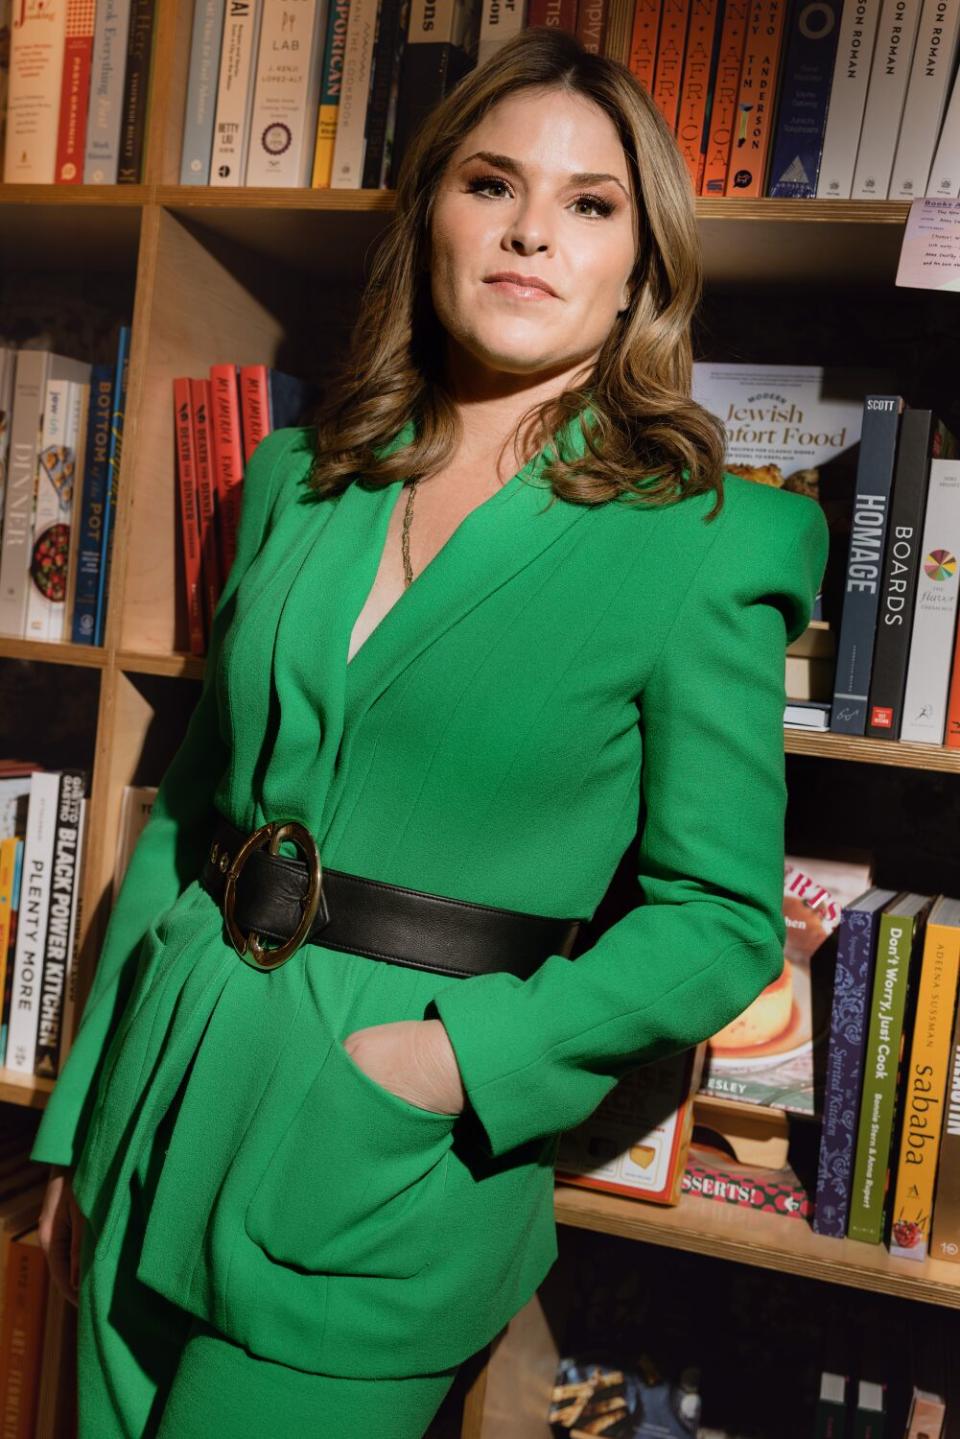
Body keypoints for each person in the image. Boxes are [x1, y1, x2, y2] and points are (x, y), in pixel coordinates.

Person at [35, 25, 828, 1439]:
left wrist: (450, 1064)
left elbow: (717, 925)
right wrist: (79, 1120)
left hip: (380, 1154)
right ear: (431, 217)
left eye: (591, 205)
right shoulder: (296, 478)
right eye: (491, 184)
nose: (533, 231)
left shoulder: (710, 542)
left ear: (641, 261)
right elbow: (196, 812)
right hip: (157, 1093)